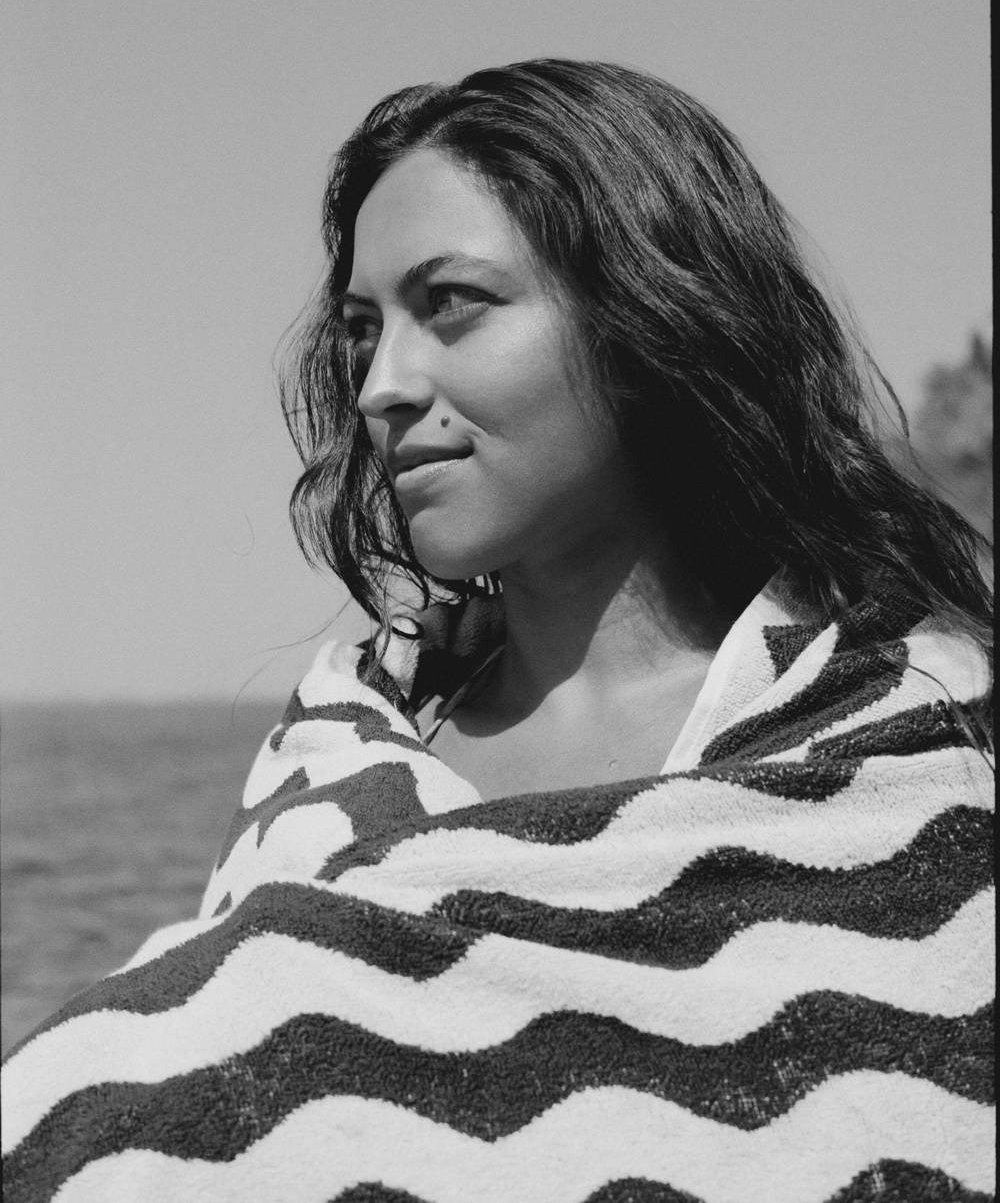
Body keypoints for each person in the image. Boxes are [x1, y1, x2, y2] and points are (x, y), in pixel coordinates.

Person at [3, 59, 993, 1203]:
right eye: (364, 329)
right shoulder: (337, 753)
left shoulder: (913, 757)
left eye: (452, 304)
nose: (379, 382)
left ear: (650, 314)